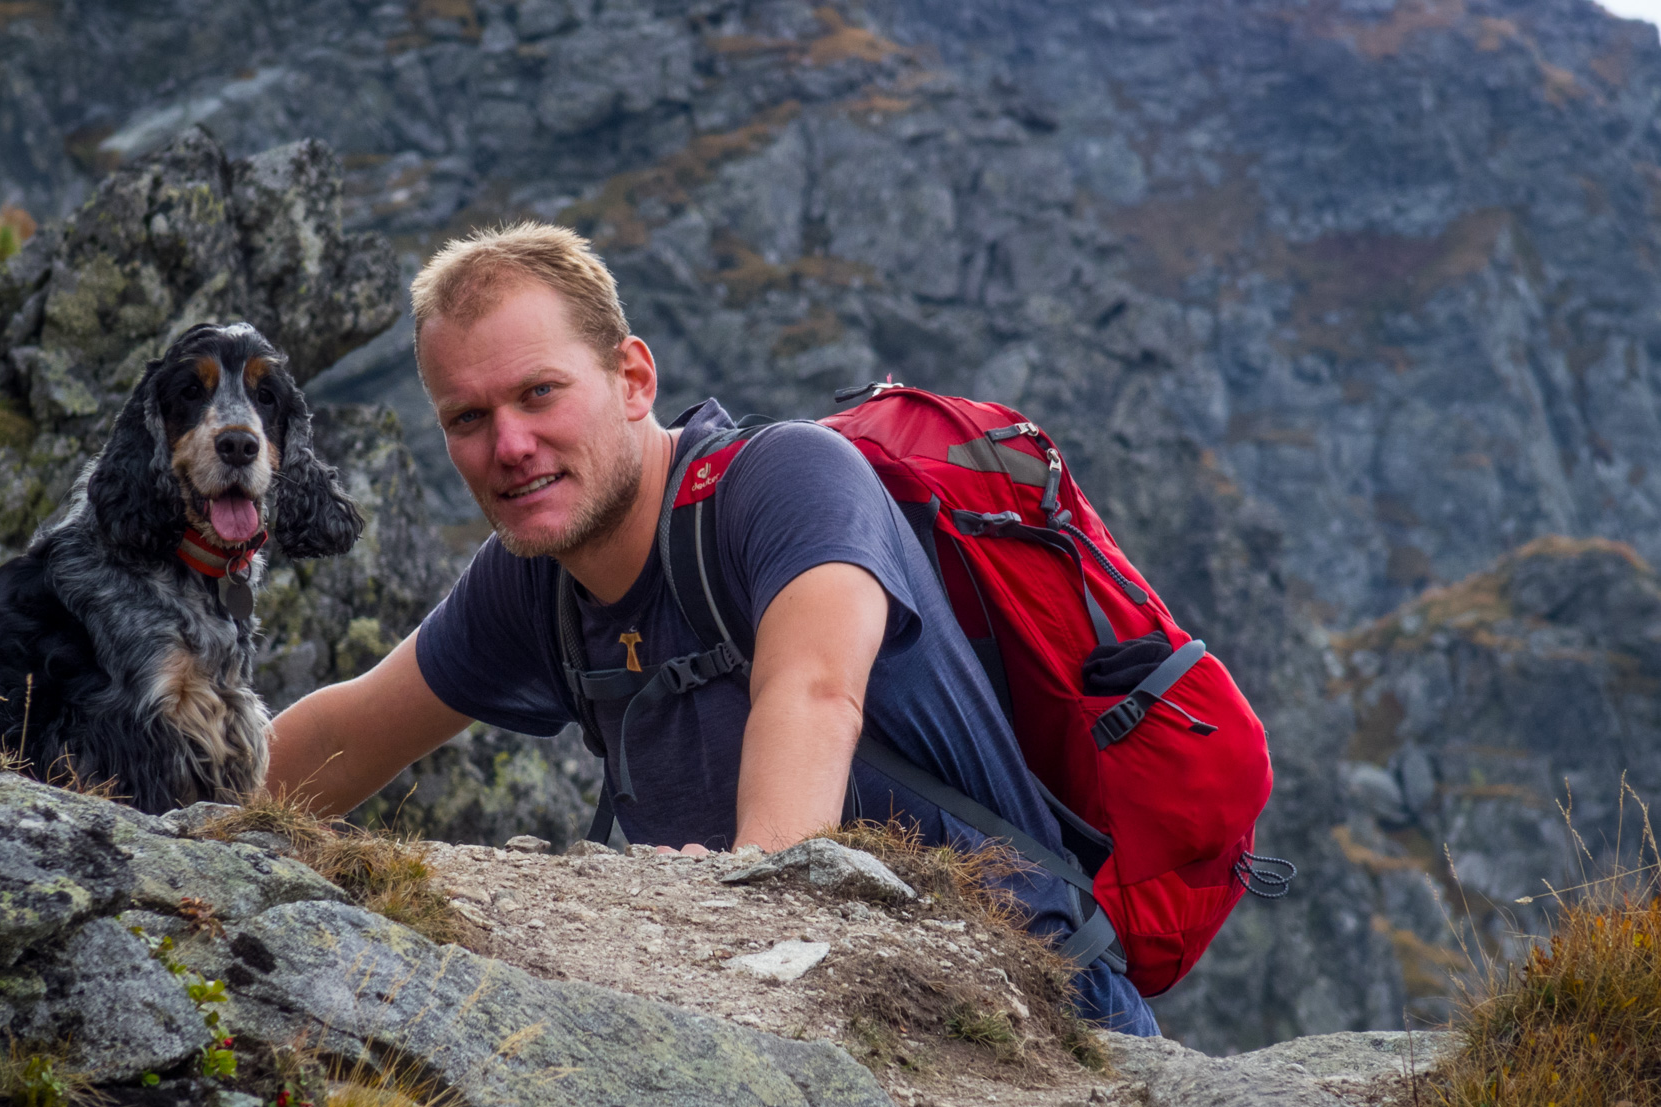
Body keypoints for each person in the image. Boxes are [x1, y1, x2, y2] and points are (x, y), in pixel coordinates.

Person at [265, 222, 1157, 1034]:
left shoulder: (789, 481)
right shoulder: (533, 581)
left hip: (1040, 1020)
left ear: (633, 379)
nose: (509, 446)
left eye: (540, 394)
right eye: (468, 418)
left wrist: (746, 926)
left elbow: (813, 691)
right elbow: (348, 730)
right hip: (810, 1021)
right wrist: (159, 822)